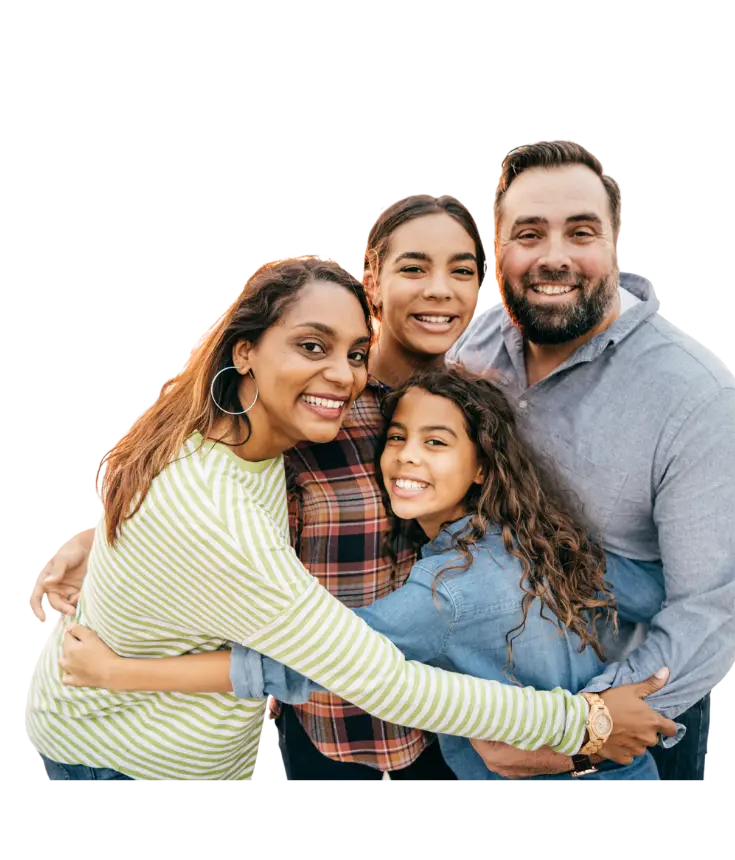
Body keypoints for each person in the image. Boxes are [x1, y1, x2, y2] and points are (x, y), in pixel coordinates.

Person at [27, 254, 673, 786]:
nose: (342, 374)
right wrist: (585, 724)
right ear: (245, 352)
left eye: (358, 353)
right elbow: (384, 680)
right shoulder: (215, 509)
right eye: (313, 345)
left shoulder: (233, 434)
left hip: (187, 750)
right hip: (125, 762)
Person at [32, 196, 484, 786]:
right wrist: (102, 538)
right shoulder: (312, 407)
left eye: (463, 269)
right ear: (373, 279)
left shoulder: (474, 401)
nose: (439, 289)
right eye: (414, 267)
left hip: (441, 699)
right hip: (315, 704)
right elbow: (202, 495)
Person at [446, 140, 735, 784]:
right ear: (496, 253)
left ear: (616, 245)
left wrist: (582, 725)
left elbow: (713, 610)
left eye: (581, 231)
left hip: (630, 730)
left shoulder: (696, 398)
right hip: (485, 715)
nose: (555, 256)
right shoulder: (475, 345)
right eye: (529, 233)